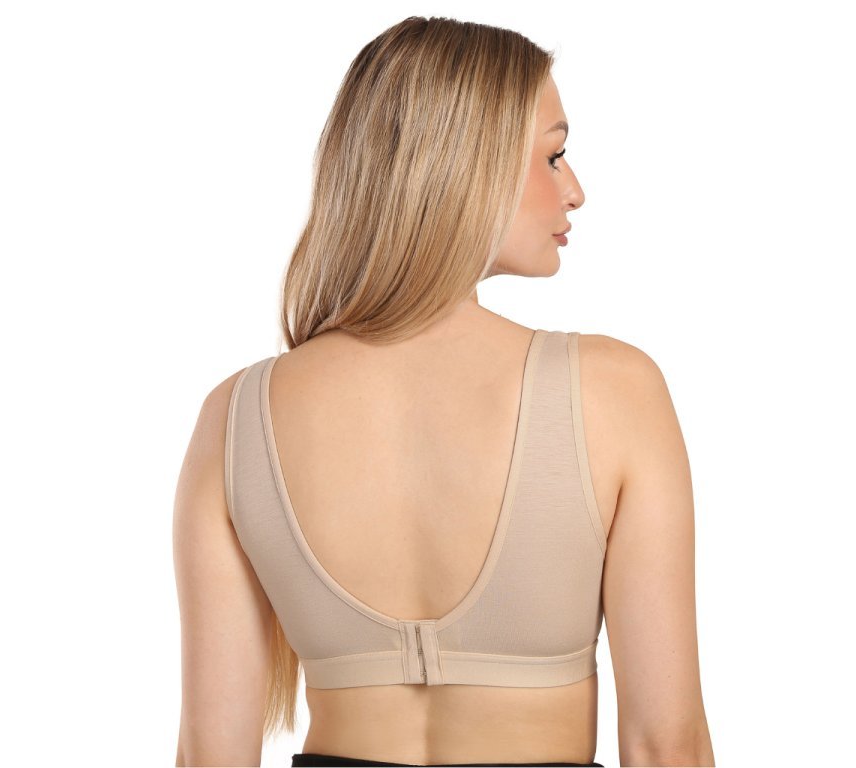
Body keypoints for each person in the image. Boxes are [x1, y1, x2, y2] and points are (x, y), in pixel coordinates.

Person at [173, 15, 714, 768]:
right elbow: (666, 747)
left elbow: (210, 753)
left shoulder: (236, 417)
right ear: (470, 164)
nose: (575, 190)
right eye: (554, 155)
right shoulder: (614, 392)